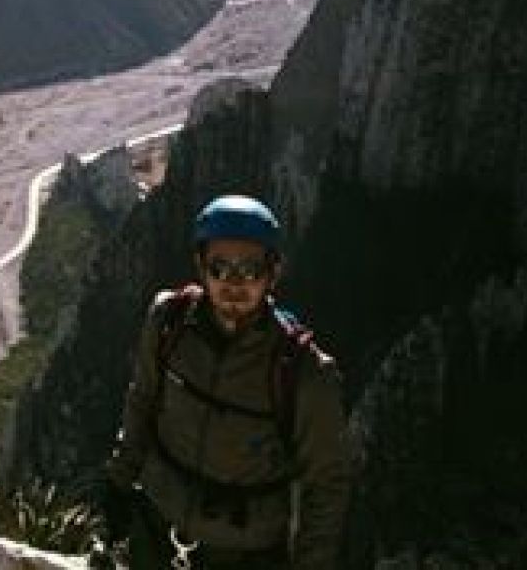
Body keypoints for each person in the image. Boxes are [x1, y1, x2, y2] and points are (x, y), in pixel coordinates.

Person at [101, 195, 354, 568]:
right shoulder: (167, 322)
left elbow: (326, 486)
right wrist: (118, 484)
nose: (234, 283)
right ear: (200, 267)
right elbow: (142, 401)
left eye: (250, 269)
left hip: (244, 554)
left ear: (273, 273)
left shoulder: (304, 373)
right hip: (155, 531)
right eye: (220, 267)